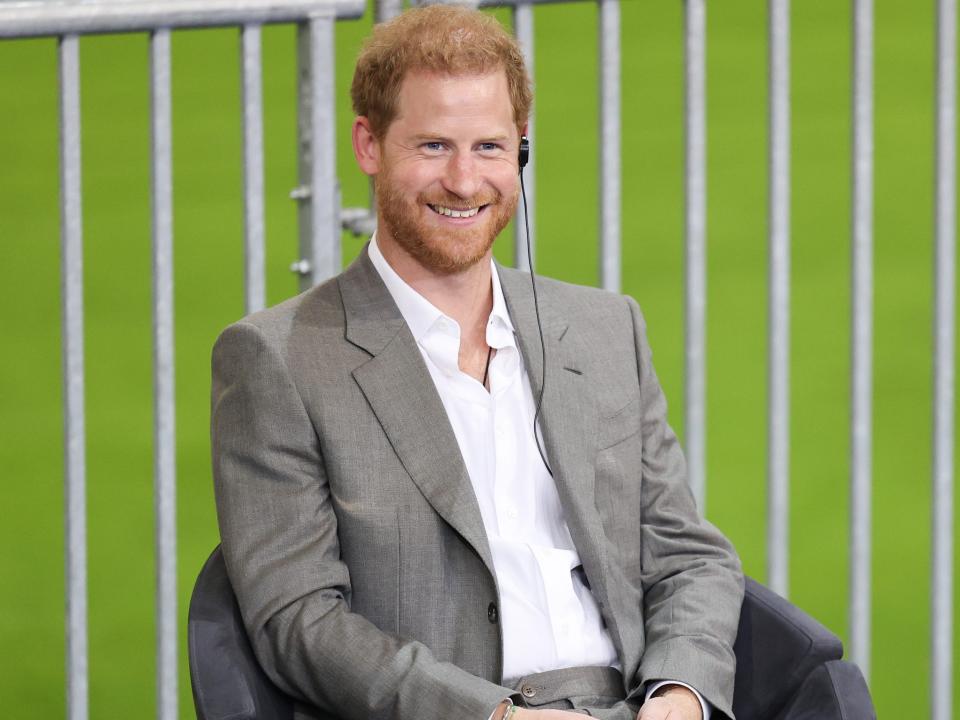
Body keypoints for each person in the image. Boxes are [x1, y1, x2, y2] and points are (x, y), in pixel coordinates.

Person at [211, 6, 743, 720]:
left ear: (521, 148)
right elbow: (299, 621)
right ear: (368, 144)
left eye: (490, 147)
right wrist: (492, 718)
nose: (464, 182)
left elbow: (688, 556)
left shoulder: (604, 329)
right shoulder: (276, 360)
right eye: (433, 146)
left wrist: (680, 693)